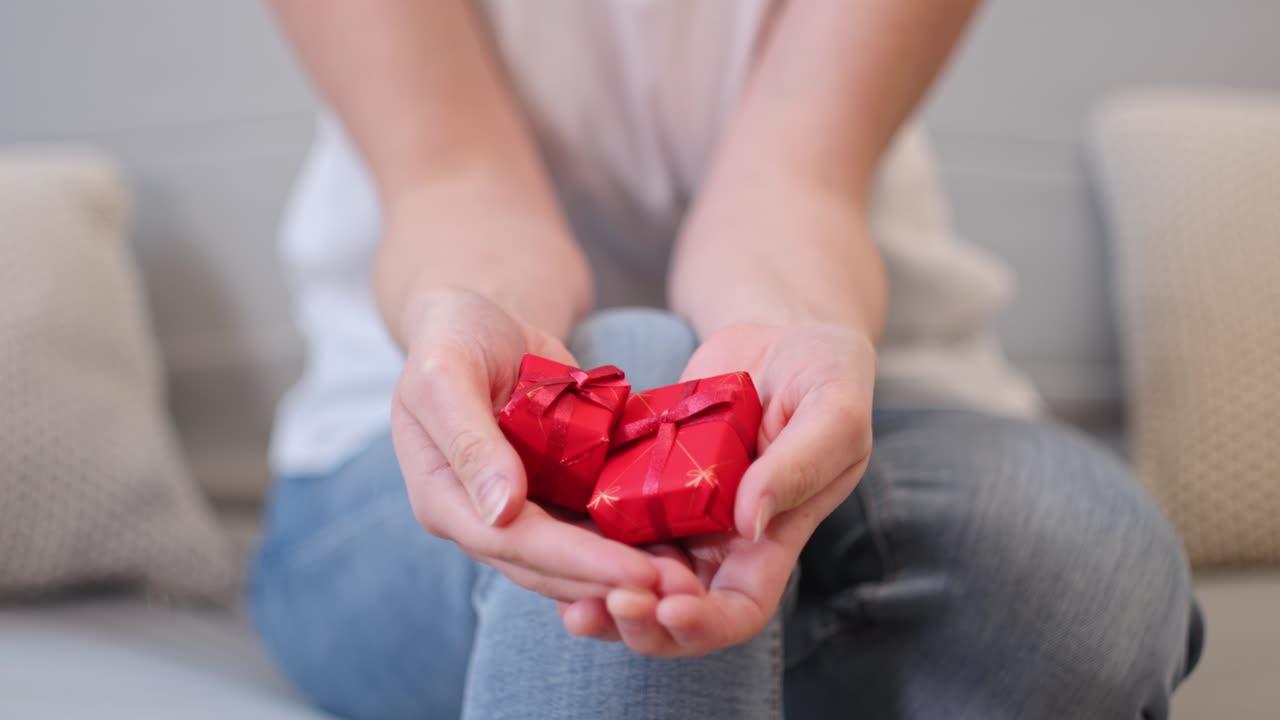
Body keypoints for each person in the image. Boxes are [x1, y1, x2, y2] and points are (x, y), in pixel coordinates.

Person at [250, 2, 1203, 718]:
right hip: (407, 461)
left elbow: (792, 185)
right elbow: (457, 181)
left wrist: (783, 342)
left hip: (864, 414)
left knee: (1092, 566)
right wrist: (473, 325)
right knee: (637, 353)